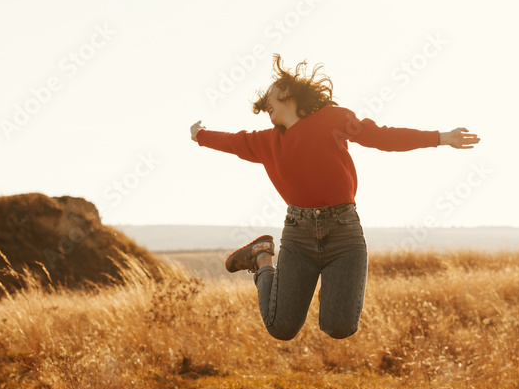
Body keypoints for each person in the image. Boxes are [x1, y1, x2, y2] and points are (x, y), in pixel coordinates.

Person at [190, 55, 479, 340]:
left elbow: (382, 137)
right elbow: (230, 141)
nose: (266, 102)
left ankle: (282, 268)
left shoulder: (333, 120)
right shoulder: (266, 142)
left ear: (289, 92)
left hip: (343, 233)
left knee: (339, 327)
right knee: (281, 328)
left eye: (271, 95)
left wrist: (441, 137)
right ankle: (262, 258)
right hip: (298, 235)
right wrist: (200, 135)